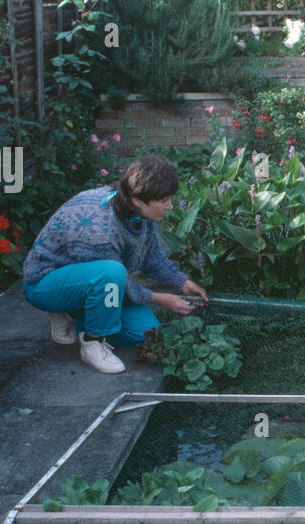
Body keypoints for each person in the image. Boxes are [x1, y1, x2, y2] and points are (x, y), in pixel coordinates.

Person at [22, 155, 207, 374]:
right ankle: (92, 342)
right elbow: (116, 282)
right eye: (164, 200)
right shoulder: (100, 230)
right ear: (138, 200)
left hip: (88, 278)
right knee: (112, 271)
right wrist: (160, 299)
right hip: (46, 283)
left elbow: (151, 256)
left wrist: (182, 281)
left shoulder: (135, 212)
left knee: (145, 334)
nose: (170, 206)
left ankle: (75, 313)